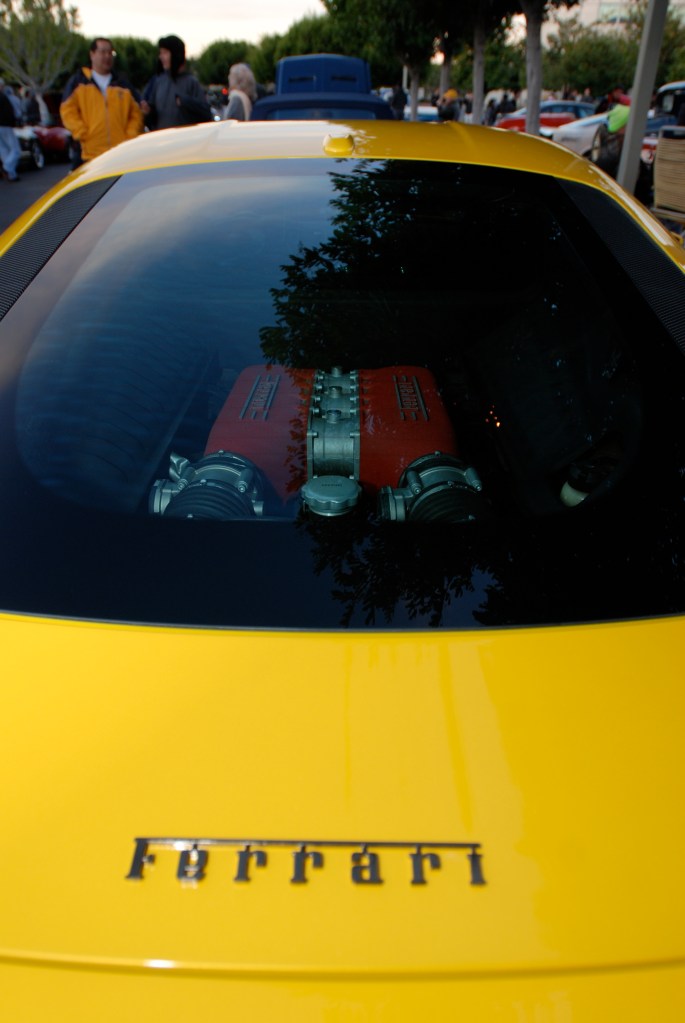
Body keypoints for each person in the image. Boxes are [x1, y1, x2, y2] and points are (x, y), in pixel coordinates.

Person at [60, 38, 143, 165]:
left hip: (121, 154)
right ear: (92, 54)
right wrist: (82, 132)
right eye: (103, 52)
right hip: (90, 156)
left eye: (110, 53)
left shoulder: (122, 83)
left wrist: (130, 135)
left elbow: (136, 113)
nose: (107, 56)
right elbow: (67, 110)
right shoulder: (79, 82)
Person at [141, 35, 211, 129]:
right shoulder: (158, 82)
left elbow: (206, 114)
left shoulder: (191, 83)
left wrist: (185, 102)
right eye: (160, 53)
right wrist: (148, 112)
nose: (161, 57)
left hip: (184, 141)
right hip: (162, 141)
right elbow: (152, 120)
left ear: (176, 54)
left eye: (165, 53)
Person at [0, 79, 21, 182]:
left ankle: (11, 174)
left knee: (4, 150)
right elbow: (10, 112)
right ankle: (7, 167)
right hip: (5, 126)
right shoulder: (3, 97)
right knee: (15, 150)